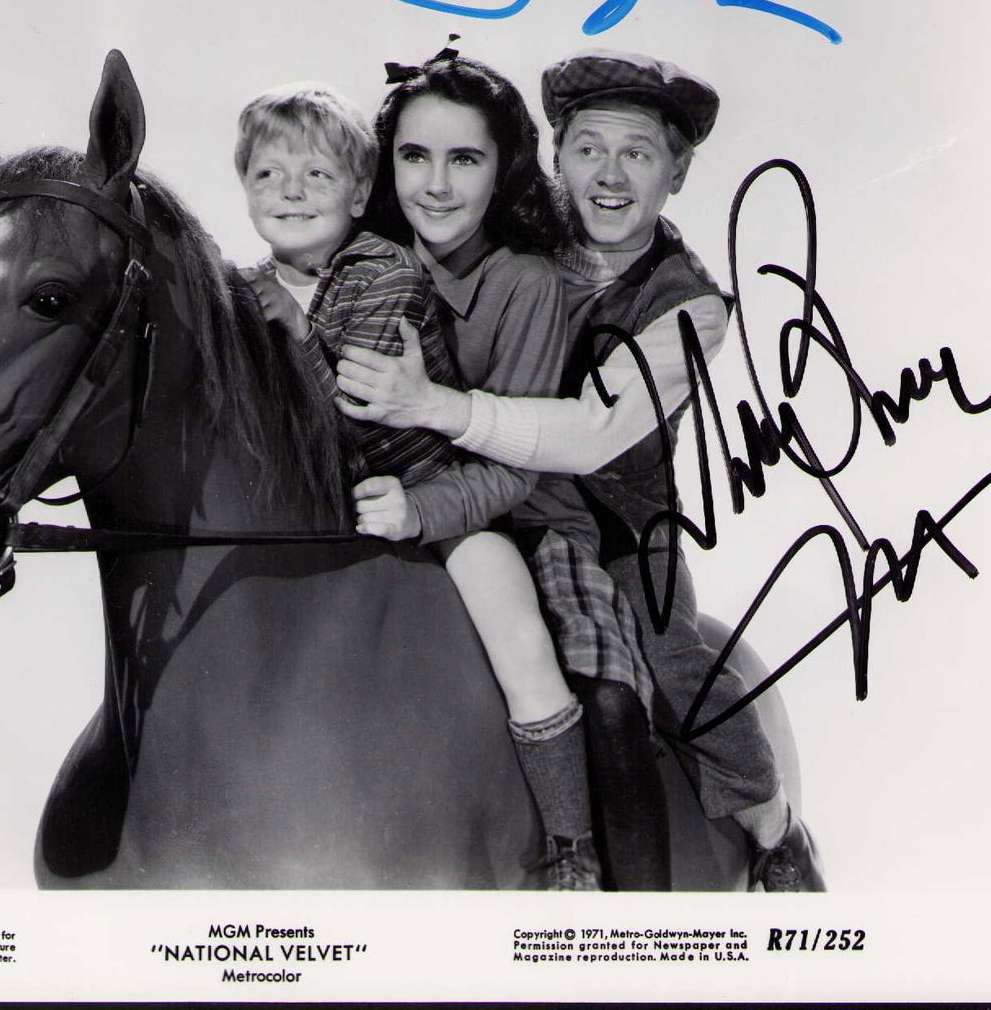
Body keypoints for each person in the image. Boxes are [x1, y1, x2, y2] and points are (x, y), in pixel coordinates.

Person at [336, 49, 825, 891]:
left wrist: (436, 408)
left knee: (667, 670)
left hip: (618, 522)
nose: (608, 174)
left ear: (677, 171)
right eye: (588, 147)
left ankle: (769, 829)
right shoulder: (523, 228)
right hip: (482, 496)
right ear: (556, 156)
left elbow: (595, 431)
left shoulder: (690, 306)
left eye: (637, 153)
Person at [232, 79, 603, 889]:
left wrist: (418, 510)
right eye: (268, 176)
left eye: (316, 177)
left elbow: (343, 408)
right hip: (320, 508)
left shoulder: (382, 270)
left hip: (446, 494)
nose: (292, 193)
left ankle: (572, 846)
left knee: (522, 639)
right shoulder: (238, 290)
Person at [334, 53, 673, 891]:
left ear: (504, 171)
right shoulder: (358, 266)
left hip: (523, 521)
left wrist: (417, 508)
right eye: (415, 157)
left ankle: (621, 900)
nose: (437, 185)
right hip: (384, 508)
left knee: (610, 694)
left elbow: (512, 473)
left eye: (466, 160)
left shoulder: (523, 282)